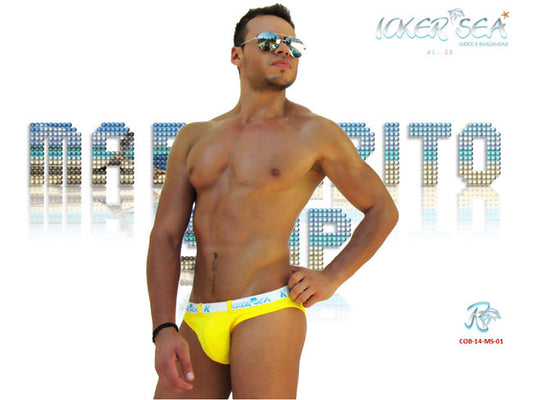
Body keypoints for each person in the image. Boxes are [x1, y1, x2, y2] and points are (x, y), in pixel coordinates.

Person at [146, 4, 398, 399]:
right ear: (236, 55)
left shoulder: (314, 132)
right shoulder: (194, 137)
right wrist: (163, 328)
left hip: (268, 309)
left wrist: (331, 277)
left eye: (292, 45)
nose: (283, 50)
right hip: (198, 317)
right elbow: (165, 235)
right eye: (267, 42)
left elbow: (383, 209)